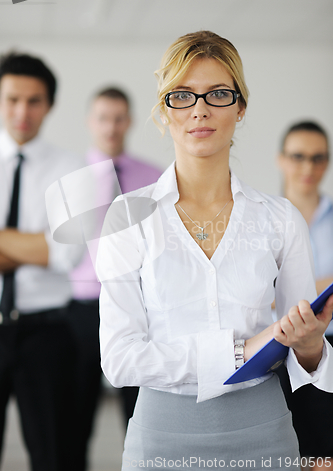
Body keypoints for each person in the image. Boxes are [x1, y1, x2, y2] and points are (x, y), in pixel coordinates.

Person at [97, 31, 333, 471]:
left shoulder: (280, 220)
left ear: (240, 106)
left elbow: (304, 356)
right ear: (164, 110)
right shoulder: (127, 216)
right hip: (159, 441)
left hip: (266, 436)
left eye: (218, 94)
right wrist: (240, 352)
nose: (200, 109)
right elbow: (120, 359)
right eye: (182, 95)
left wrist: (312, 346)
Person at [69, 87, 162, 470]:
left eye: (119, 117)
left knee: (137, 411)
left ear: (129, 121)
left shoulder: (154, 176)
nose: (111, 126)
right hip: (82, 309)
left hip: (141, 306)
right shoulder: (70, 180)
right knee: (75, 415)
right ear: (91, 122)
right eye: (103, 117)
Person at [0, 52, 84, 471]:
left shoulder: (72, 169)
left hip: (46, 332)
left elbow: (67, 252)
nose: (22, 111)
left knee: (54, 456)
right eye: (12, 98)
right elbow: (48, 247)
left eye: (34, 101)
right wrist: (35, 244)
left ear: (49, 105)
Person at [277, 121, 333, 469]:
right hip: (275, 356)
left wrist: (283, 288)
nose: (308, 167)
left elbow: (268, 289)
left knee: (323, 460)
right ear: (281, 160)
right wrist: (320, 286)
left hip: (331, 350)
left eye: (317, 158)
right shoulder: (262, 220)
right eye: (298, 157)